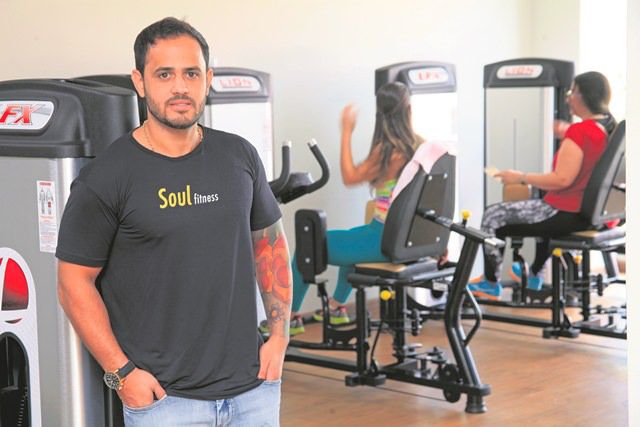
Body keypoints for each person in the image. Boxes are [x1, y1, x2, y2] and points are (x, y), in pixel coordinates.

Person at [56, 17, 291, 426]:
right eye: (164, 74)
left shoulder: (239, 156)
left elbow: (270, 244)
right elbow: (73, 283)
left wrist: (280, 337)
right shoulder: (107, 176)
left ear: (208, 79)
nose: (180, 87)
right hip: (165, 402)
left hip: (253, 389)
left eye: (191, 73)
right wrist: (121, 373)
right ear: (140, 81)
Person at [287, 82, 425, 335]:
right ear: (409, 110)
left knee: (308, 244)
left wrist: (347, 131)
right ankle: (336, 308)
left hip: (384, 240)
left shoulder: (390, 151)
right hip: (409, 240)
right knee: (350, 241)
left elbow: (350, 177)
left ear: (380, 114)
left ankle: (289, 319)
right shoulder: (421, 148)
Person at [469, 71, 616, 300]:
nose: (568, 98)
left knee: (492, 216)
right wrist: (567, 132)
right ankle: (535, 275)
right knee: (532, 209)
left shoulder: (580, 131)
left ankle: (490, 282)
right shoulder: (608, 127)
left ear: (583, 96)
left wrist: (521, 177)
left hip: (566, 212)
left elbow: (561, 179)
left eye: (572, 92)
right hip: (592, 214)